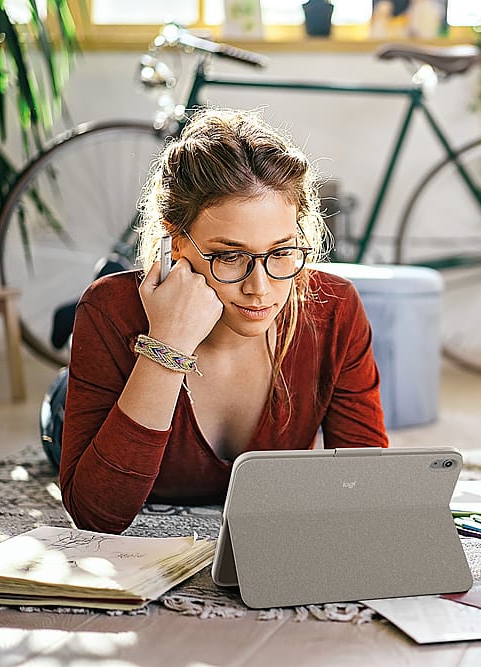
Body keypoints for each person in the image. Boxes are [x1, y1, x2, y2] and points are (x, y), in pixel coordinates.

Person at [60, 108, 388, 534]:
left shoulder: (333, 308)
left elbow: (373, 495)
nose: (261, 287)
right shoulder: (108, 310)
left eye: (282, 250)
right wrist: (167, 345)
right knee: (60, 408)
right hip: (104, 387)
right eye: (230, 256)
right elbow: (97, 515)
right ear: (174, 242)